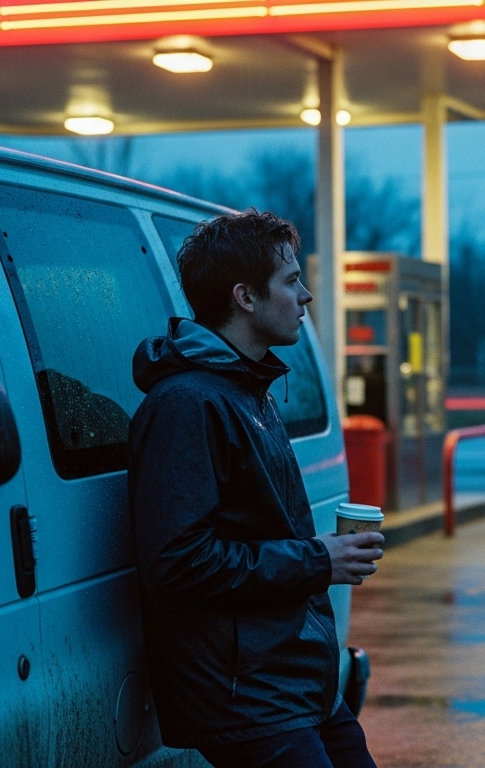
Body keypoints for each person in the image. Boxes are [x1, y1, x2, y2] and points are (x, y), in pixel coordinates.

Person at [129, 210, 383, 768]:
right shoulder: (187, 405)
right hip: (246, 694)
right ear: (245, 297)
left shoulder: (247, 390)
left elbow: (246, 531)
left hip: (294, 680)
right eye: (291, 282)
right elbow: (178, 561)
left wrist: (317, 554)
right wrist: (317, 558)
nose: (307, 296)